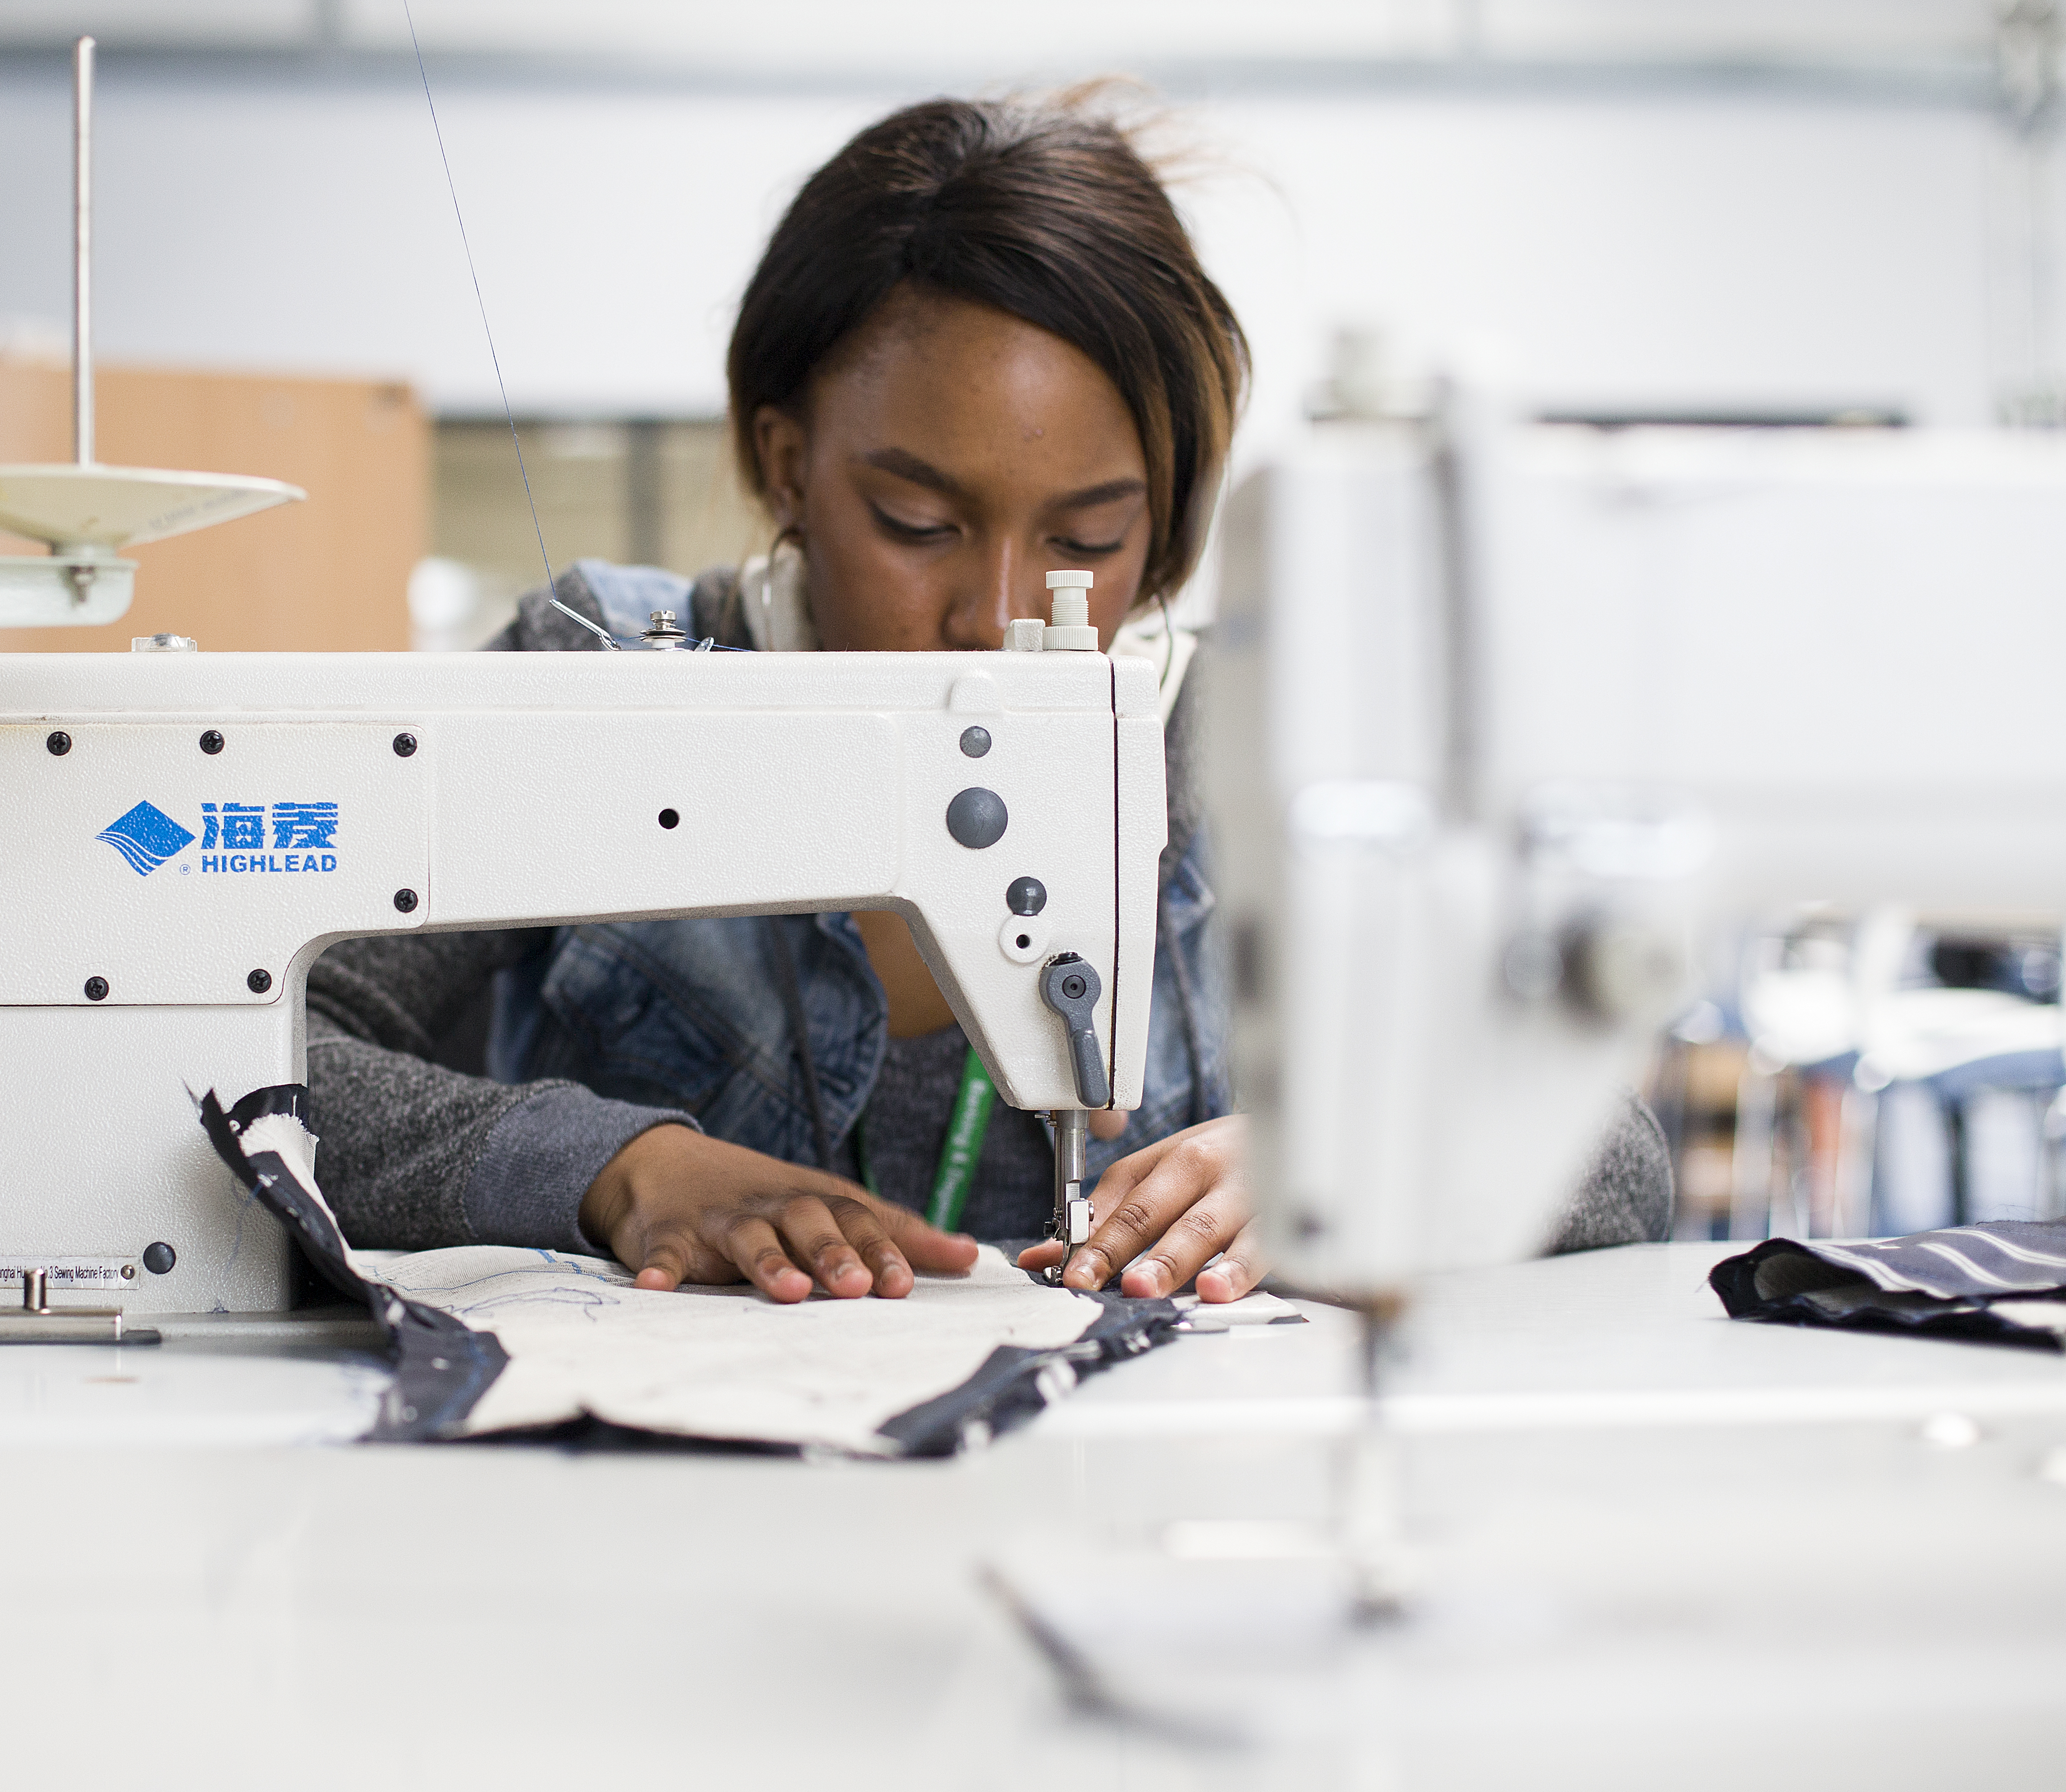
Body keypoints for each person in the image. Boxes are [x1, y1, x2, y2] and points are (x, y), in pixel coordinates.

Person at [302, 92, 1671, 1308]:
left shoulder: (1249, 742)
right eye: (916, 519)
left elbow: (1614, 1149)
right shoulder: (605, 675)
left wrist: (1356, 1153)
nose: (999, 610)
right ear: (786, 463)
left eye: (1087, 541)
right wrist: (610, 1164)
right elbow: (250, 1055)